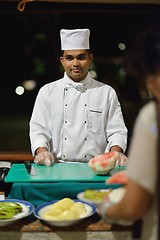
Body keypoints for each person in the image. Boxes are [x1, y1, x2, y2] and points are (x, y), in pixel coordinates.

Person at [29, 28, 127, 166]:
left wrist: (115, 152)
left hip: (97, 169)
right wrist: (42, 152)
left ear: (90, 59)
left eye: (81, 57)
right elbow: (38, 130)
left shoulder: (106, 92)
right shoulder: (47, 92)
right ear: (62, 61)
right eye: (69, 58)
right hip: (56, 167)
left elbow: (117, 131)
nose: (75, 63)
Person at [99, 22, 160, 240]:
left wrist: (106, 209)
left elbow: (133, 208)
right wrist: (141, 172)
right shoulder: (47, 92)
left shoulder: (153, 116)